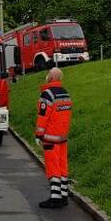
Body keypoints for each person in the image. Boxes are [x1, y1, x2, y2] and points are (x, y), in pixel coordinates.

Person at [34, 67, 72, 209]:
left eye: (47, 74)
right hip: (62, 137)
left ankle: (55, 198)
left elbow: (43, 117)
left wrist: (39, 135)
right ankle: (64, 196)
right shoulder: (65, 93)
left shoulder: (47, 94)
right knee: (63, 166)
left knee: (52, 166)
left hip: (50, 138)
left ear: (50, 77)